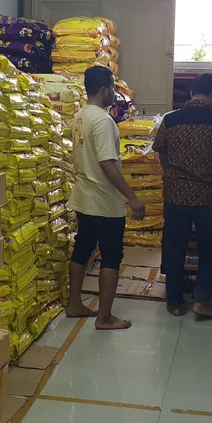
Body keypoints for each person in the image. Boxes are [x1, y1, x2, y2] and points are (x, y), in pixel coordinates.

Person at [153, 72, 212, 320]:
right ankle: (201, 301)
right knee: (208, 248)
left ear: (192, 92)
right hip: (207, 196)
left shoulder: (170, 120)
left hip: (175, 195)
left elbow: (161, 150)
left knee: (175, 248)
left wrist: (170, 172)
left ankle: (175, 302)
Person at [66, 65, 146, 331]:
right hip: (104, 202)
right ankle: (105, 317)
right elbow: (107, 163)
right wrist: (132, 197)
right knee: (112, 256)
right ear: (104, 90)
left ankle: (74, 304)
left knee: (82, 248)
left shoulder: (80, 116)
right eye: (112, 87)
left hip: (84, 198)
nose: (114, 92)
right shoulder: (103, 121)